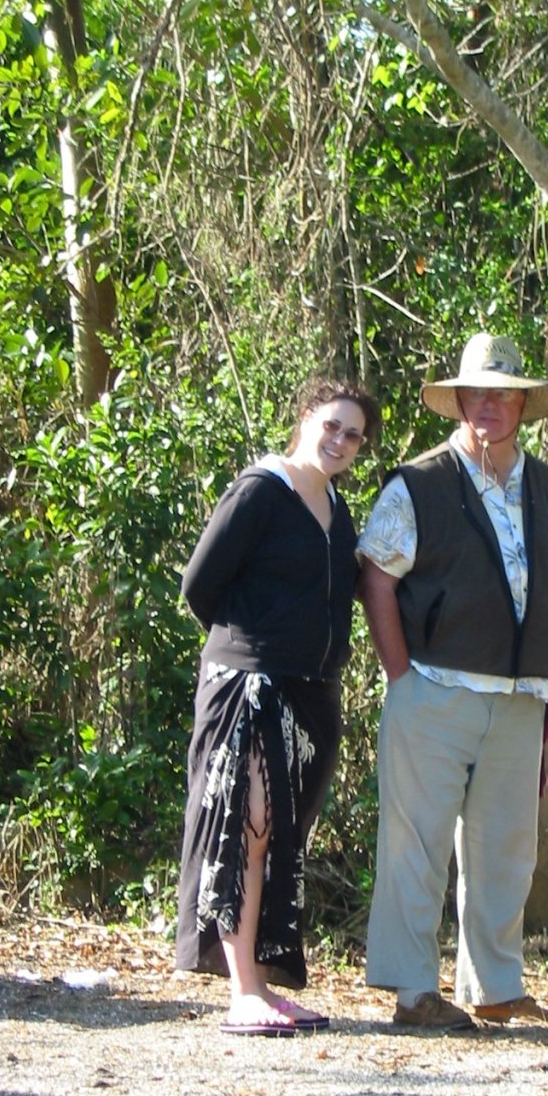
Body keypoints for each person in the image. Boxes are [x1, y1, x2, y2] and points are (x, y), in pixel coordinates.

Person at [358, 331, 548, 1030]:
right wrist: (404, 679)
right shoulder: (418, 482)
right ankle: (413, 991)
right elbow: (377, 576)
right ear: (458, 401)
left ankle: (495, 986)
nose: (489, 404)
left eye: (504, 394)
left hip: (519, 699)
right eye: (477, 392)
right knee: (415, 843)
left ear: (523, 406)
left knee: (506, 851)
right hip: (434, 687)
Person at [176, 379, 380, 1037]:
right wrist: (251, 643)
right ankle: (241, 991)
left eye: (353, 435)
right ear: (304, 418)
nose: (340, 441)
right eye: (332, 425)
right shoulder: (262, 490)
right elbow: (199, 585)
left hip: (311, 694)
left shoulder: (337, 508)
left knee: (279, 837)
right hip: (251, 686)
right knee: (250, 829)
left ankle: (261, 984)